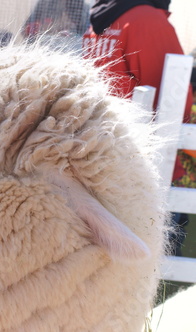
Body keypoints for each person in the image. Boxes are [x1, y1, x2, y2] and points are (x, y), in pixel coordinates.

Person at [82, 0, 194, 256]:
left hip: (100, 157)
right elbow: (175, 100)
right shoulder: (147, 20)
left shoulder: (100, 21)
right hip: (147, 164)